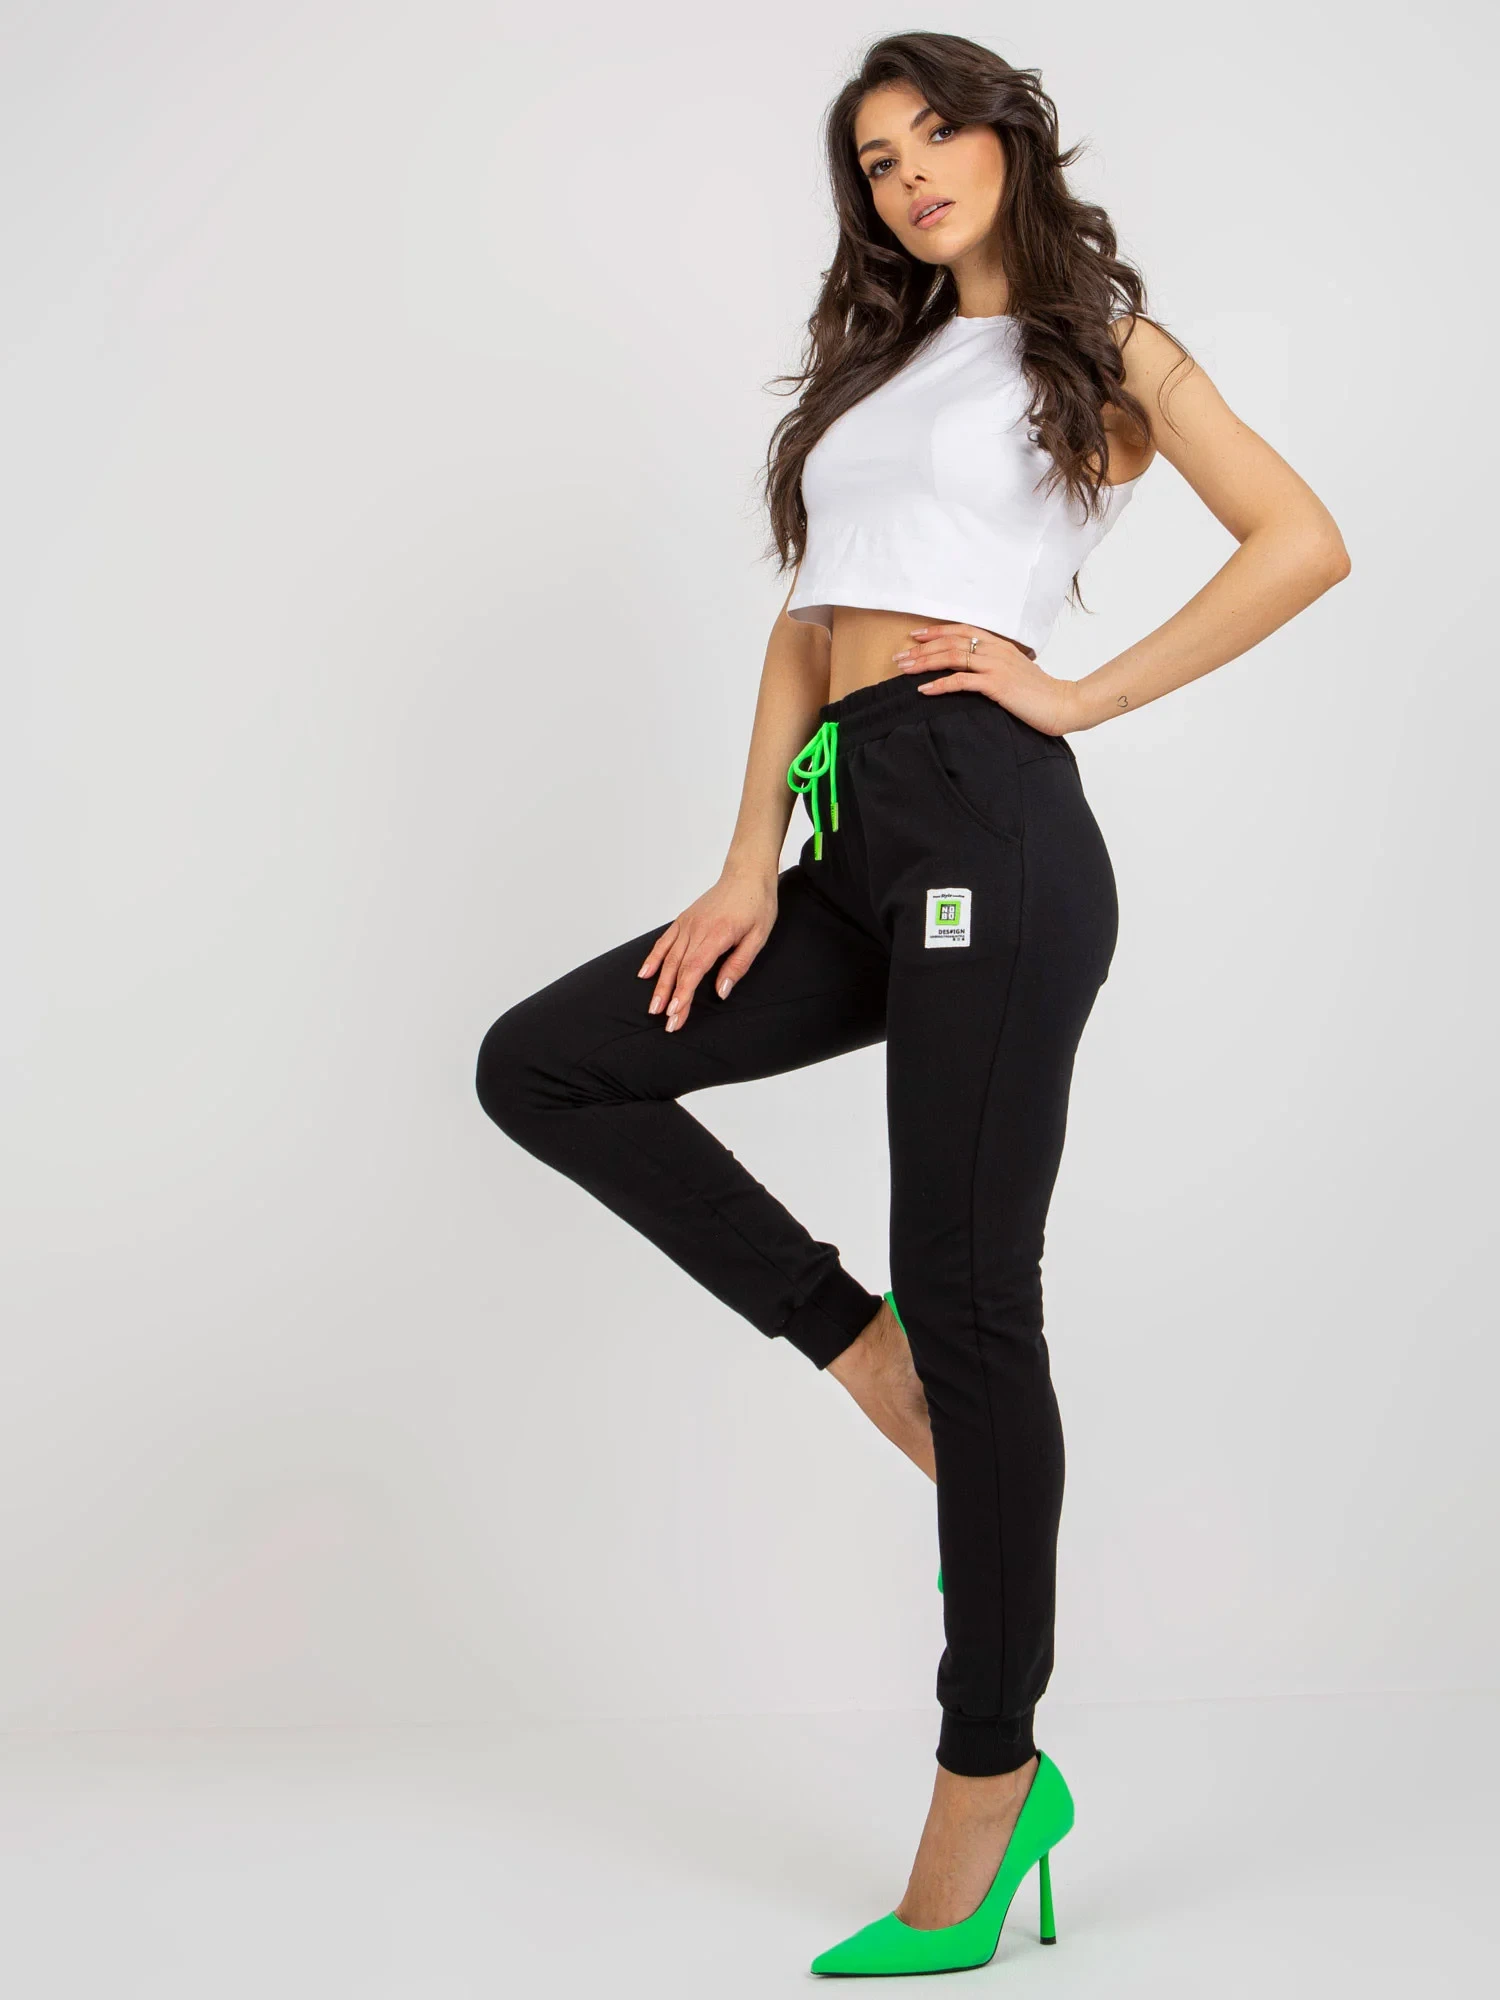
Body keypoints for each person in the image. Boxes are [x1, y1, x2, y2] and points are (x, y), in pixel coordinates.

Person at [475, 30, 1349, 1978]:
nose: (908, 174)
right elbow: (809, 628)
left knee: (976, 1296)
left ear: (1004, 136)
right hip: (849, 837)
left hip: (989, 822)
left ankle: (988, 1777)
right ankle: (855, 1346)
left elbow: (1302, 540)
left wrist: (1076, 693)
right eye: (875, 160)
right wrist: (746, 860)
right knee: (550, 1064)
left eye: (933, 132)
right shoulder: (877, 374)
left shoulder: (1097, 345)